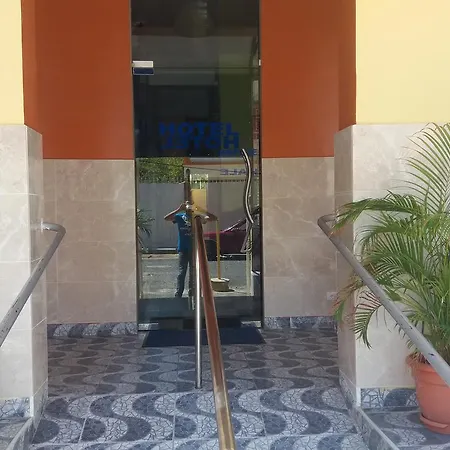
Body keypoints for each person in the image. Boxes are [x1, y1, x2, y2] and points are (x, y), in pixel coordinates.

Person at [164, 202, 217, 297]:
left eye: (190, 205)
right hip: (183, 248)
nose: (189, 207)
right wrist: (178, 209)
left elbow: (214, 218)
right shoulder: (180, 216)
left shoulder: (197, 217)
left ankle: (192, 292)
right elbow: (166, 218)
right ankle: (179, 293)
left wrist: (201, 210)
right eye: (187, 205)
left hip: (194, 249)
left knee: (193, 272)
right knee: (181, 272)